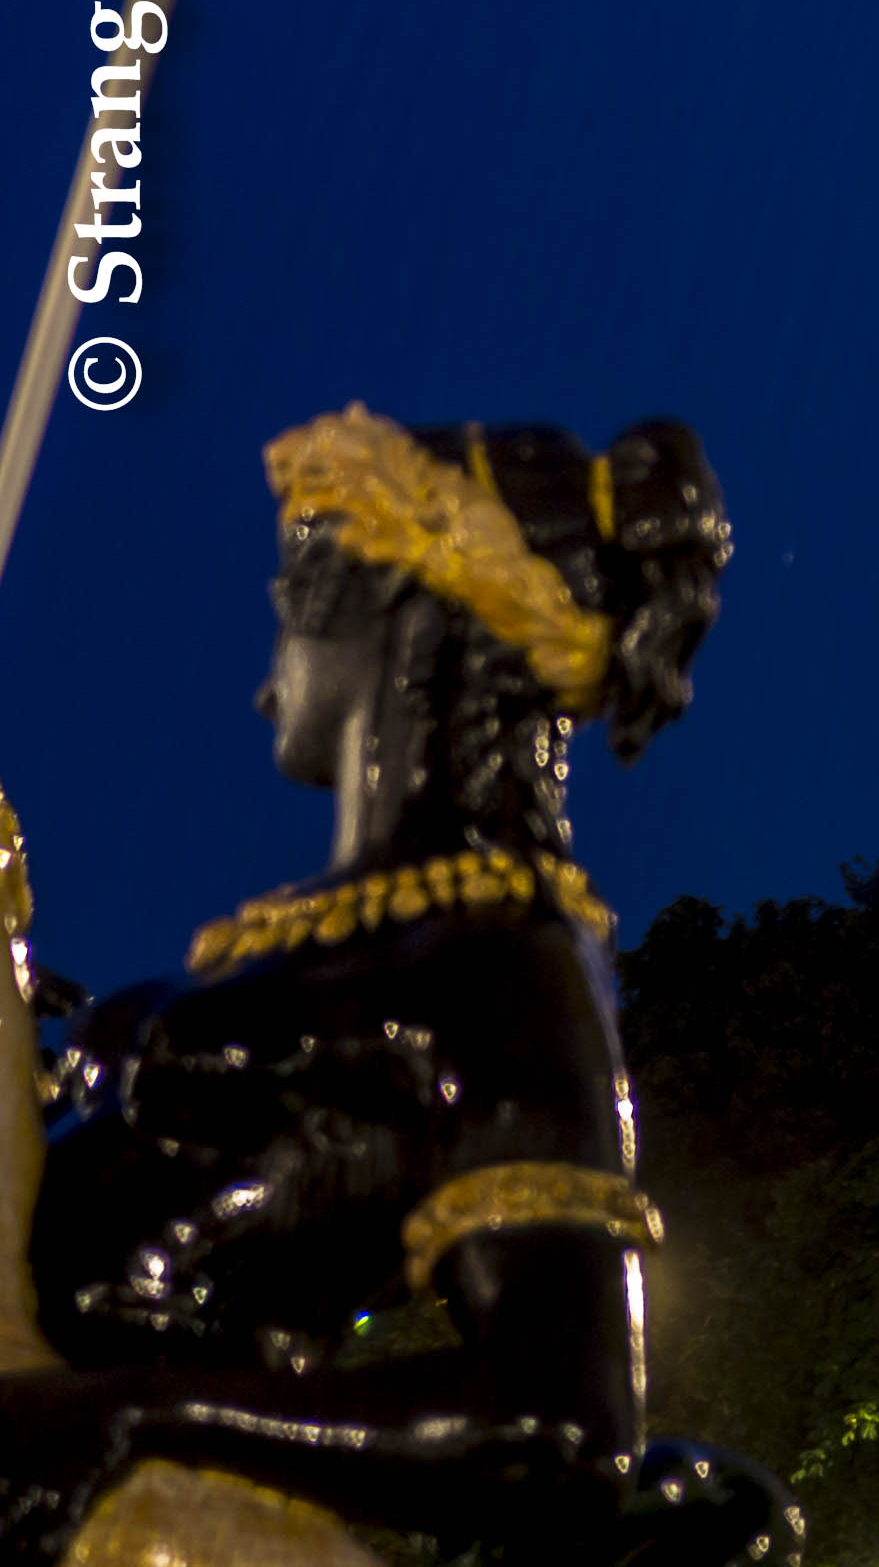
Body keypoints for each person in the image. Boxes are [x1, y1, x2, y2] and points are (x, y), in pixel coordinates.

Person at [0, 409, 791, 1566]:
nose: (266, 682)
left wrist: (128, 1410)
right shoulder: (350, 939)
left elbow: (558, 1420)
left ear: (397, 599)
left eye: (291, 601)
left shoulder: (504, 969)